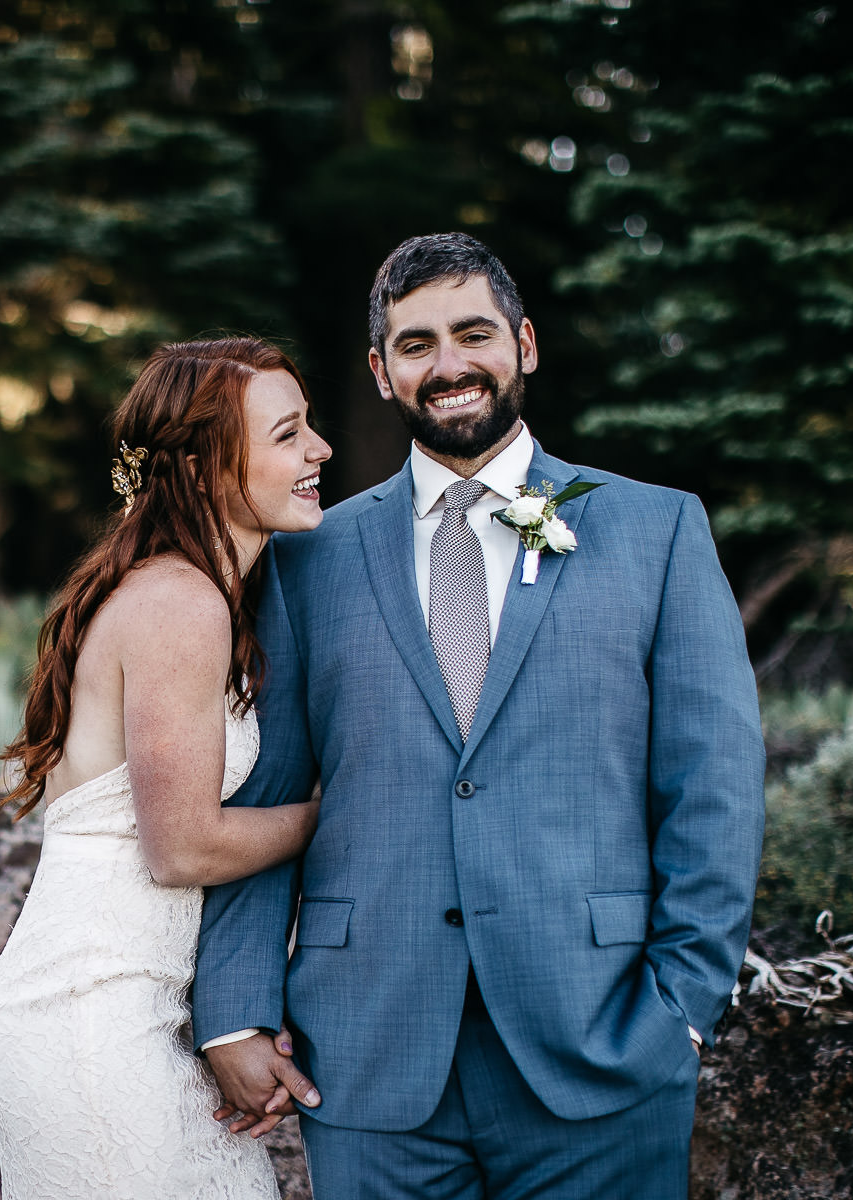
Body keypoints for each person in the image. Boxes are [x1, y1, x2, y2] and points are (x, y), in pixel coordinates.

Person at [193, 233, 765, 1199]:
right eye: (416, 345)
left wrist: (685, 1005)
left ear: (525, 345)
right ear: (381, 371)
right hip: (366, 1051)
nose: (449, 365)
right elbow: (267, 787)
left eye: (474, 334)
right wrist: (236, 1011)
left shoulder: (658, 530)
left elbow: (715, 783)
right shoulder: (306, 558)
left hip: (603, 1043)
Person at [0, 337, 334, 1198]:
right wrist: (344, 810)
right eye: (288, 435)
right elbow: (183, 847)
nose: (320, 449)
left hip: (127, 1010)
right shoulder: (180, 602)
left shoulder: (188, 591)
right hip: (91, 1016)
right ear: (208, 469)